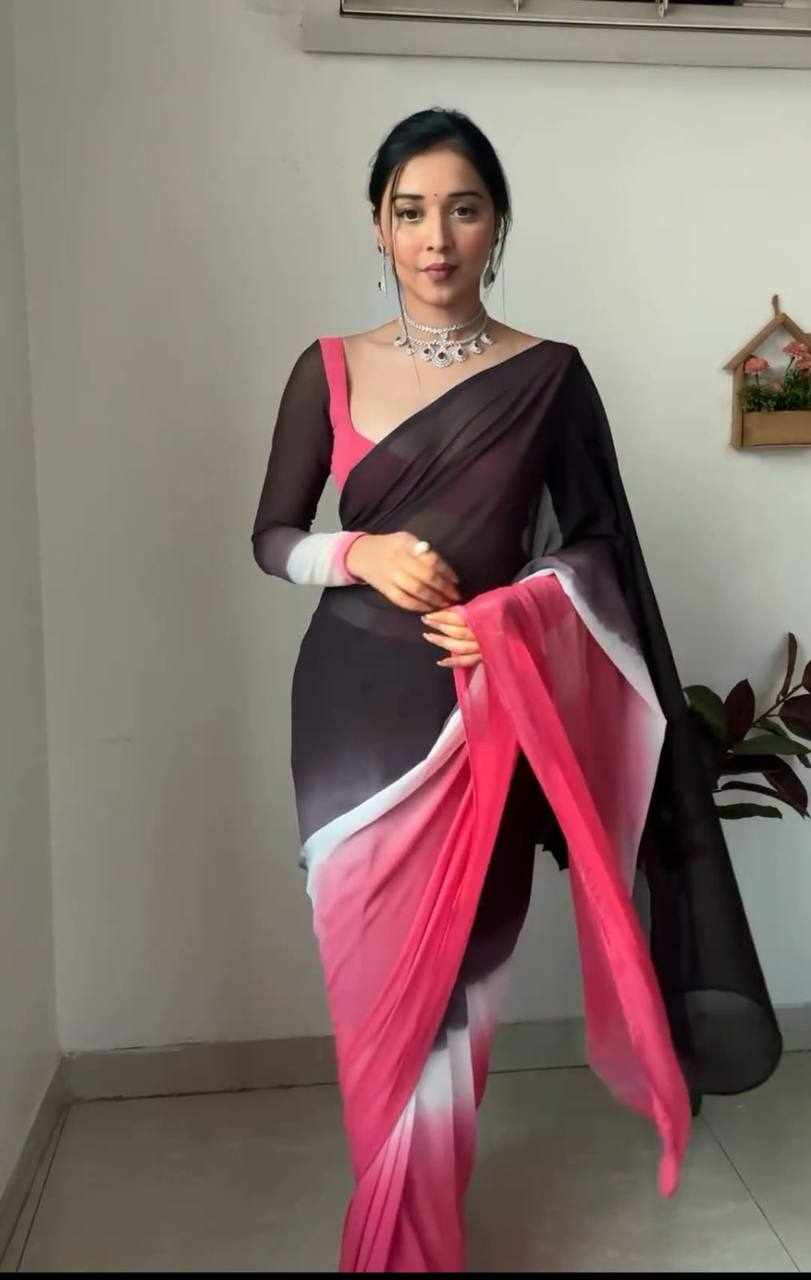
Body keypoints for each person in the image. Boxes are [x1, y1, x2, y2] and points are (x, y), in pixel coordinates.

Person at [251, 108, 782, 1274]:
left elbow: (597, 550)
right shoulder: (327, 367)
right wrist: (358, 552)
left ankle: (413, 1247)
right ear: (376, 226)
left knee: (456, 1003)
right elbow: (271, 536)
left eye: (462, 209)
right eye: (409, 211)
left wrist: (515, 612)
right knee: (374, 1013)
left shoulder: (549, 377)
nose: (434, 237)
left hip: (485, 719)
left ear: (497, 225)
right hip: (348, 725)